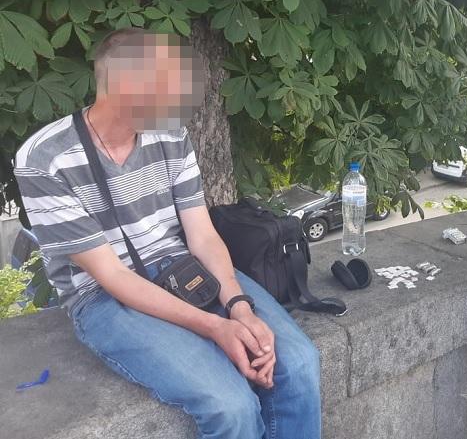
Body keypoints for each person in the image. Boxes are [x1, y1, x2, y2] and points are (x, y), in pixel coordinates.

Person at [13, 28, 321, 439]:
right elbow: (112, 276)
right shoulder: (44, 158)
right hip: (102, 297)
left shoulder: (170, 132)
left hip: (182, 269)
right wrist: (215, 327)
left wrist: (239, 307)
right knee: (230, 407)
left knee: (297, 364)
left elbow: (202, 235)